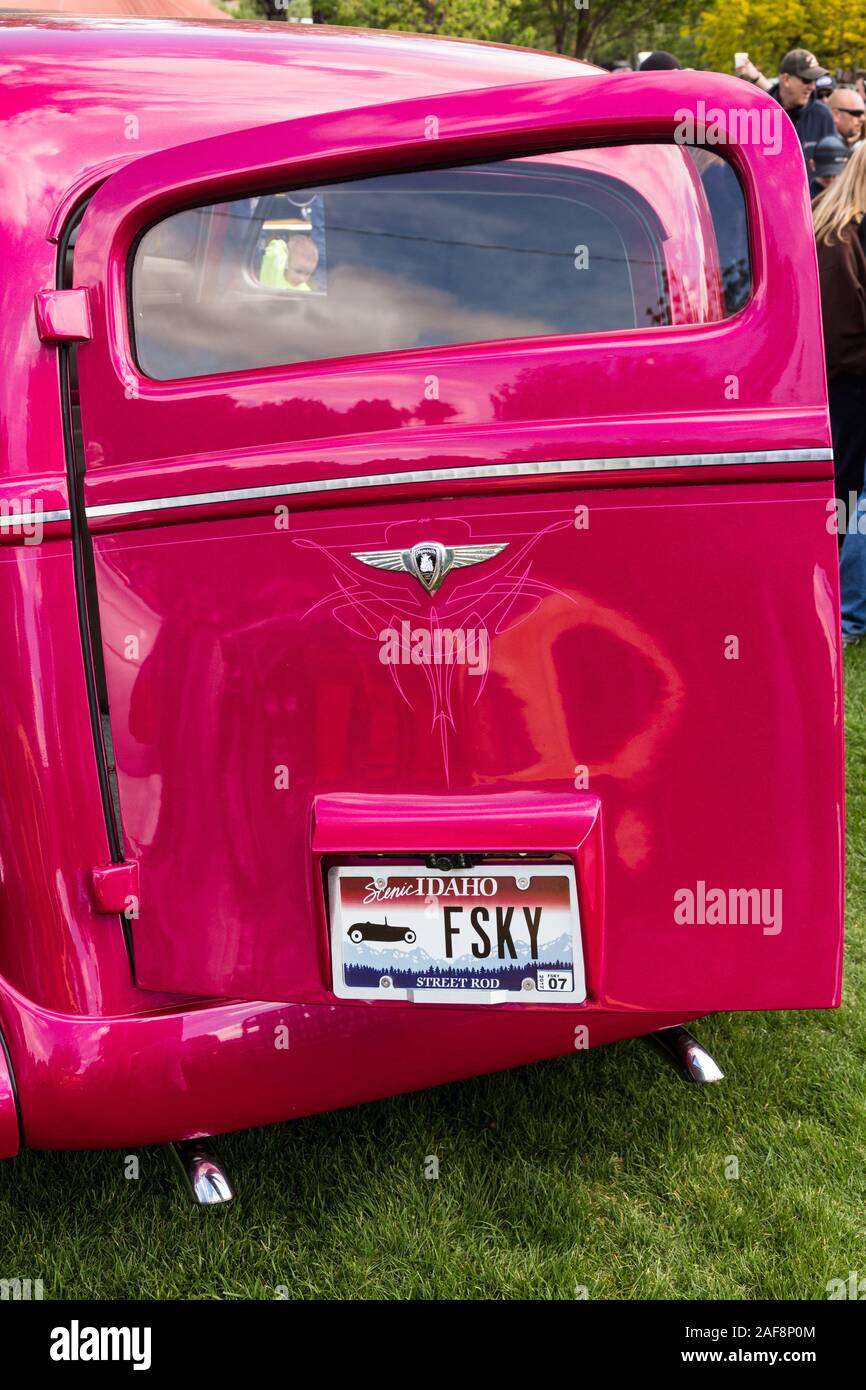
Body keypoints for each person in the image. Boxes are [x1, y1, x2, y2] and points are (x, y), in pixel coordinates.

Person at [813, 141, 866, 644]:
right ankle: (845, 610)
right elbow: (845, 331)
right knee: (852, 497)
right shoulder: (843, 233)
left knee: (847, 493)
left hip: (842, 381)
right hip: (850, 382)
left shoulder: (833, 226)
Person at [767, 50, 835, 162]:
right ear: (786, 79)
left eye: (815, 80)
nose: (813, 87)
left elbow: (831, 166)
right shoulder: (757, 113)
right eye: (807, 80)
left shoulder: (822, 115)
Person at [810, 133, 852, 198]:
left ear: (845, 164)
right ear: (812, 164)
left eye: (834, 175)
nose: (830, 180)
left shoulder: (850, 194)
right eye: (825, 176)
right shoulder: (807, 196)